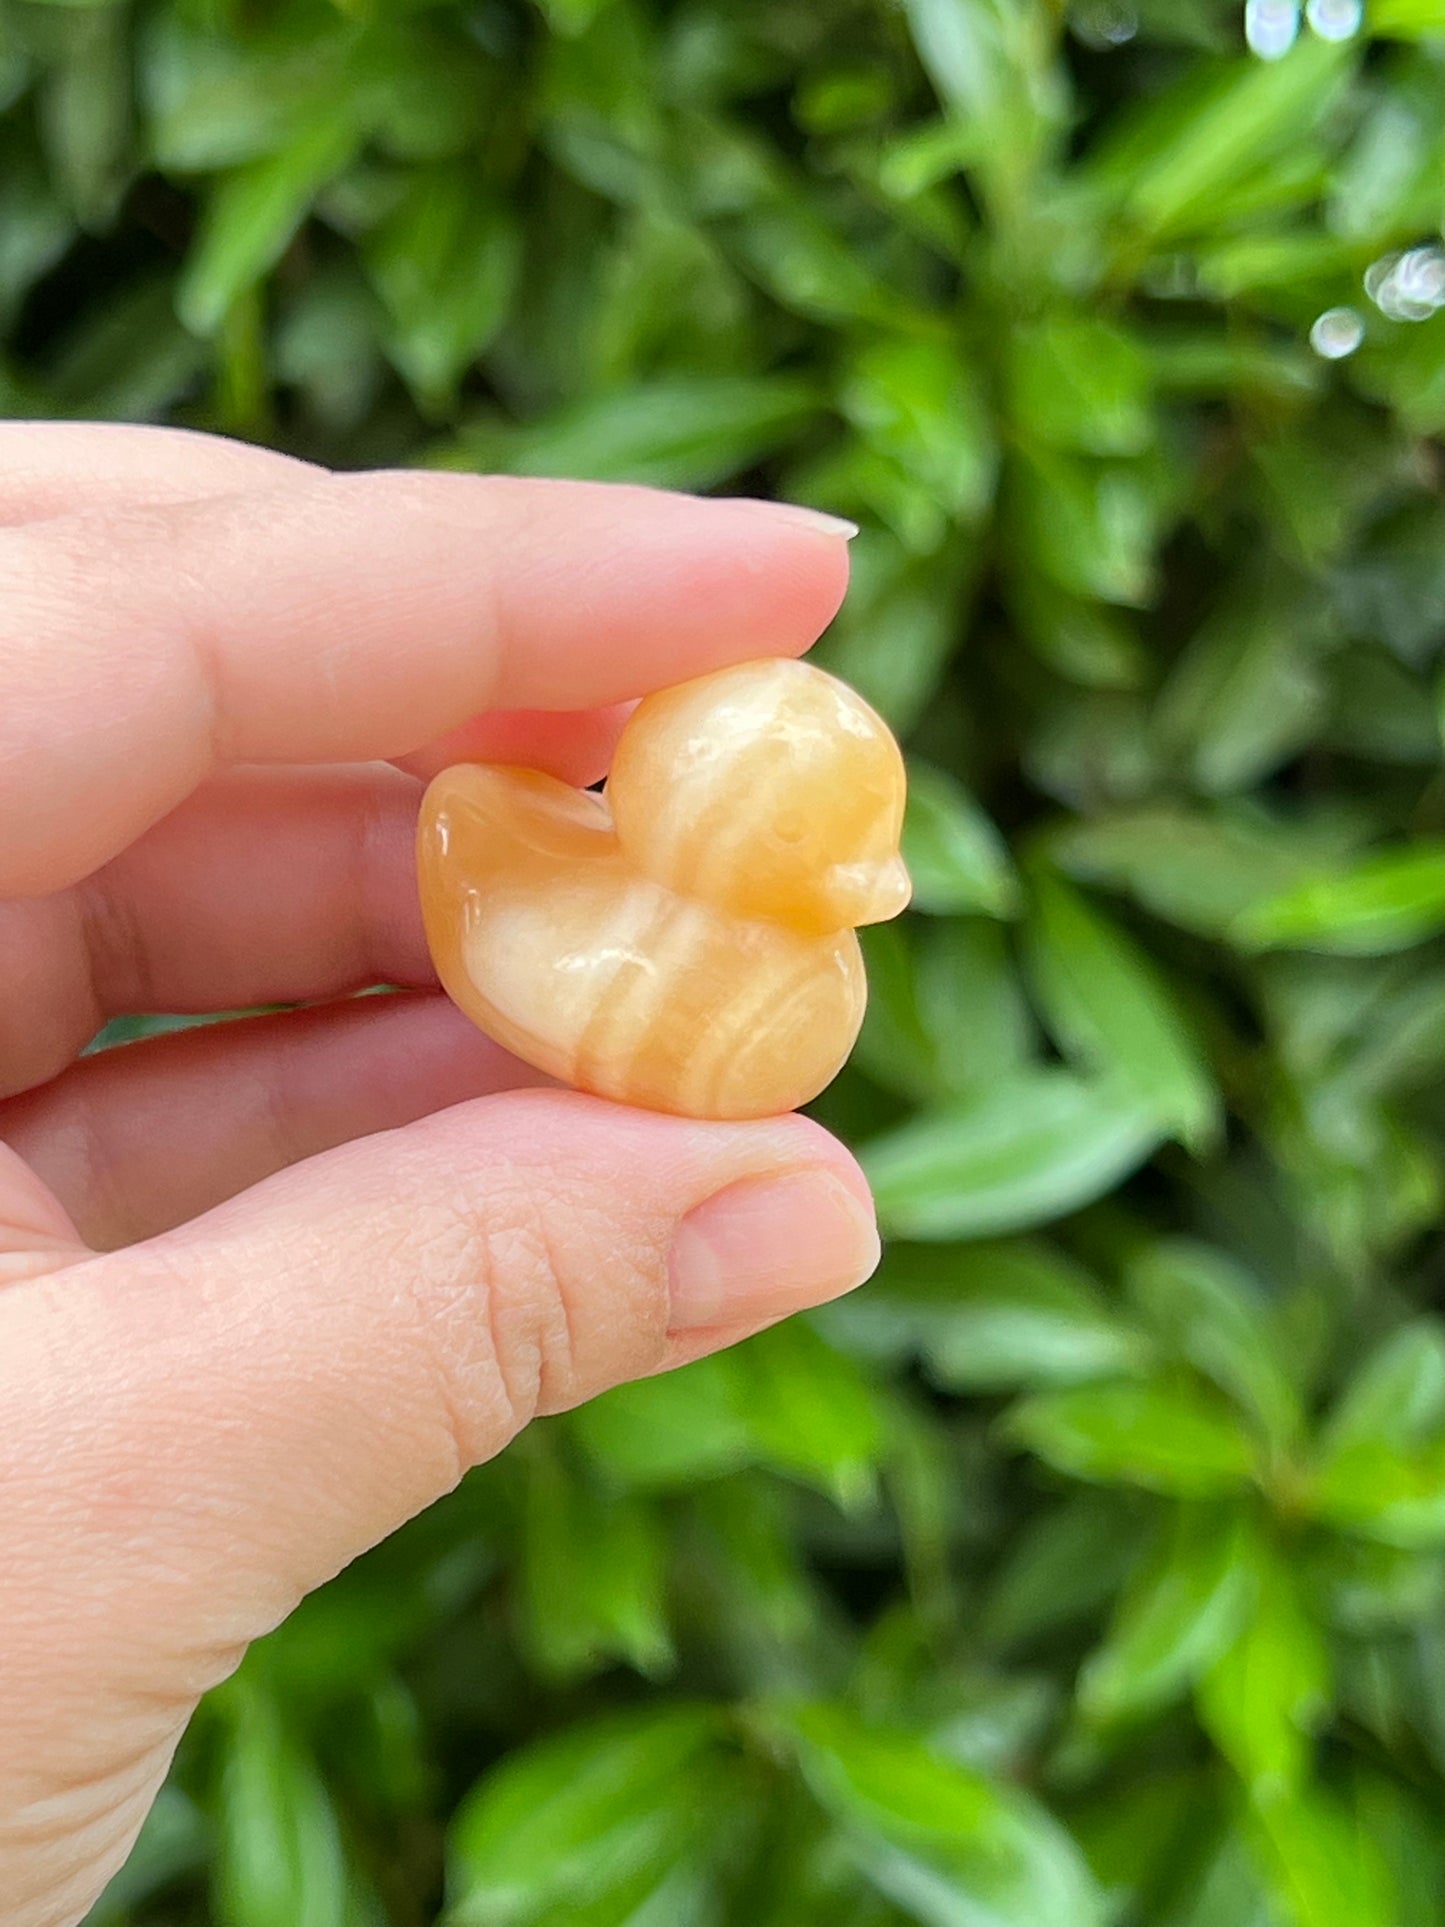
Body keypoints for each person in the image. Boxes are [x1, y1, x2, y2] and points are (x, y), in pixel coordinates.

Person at [0, 423, 880, 1927]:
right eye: (819, 838)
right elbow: (491, 854)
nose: (863, 875)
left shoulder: (783, 977)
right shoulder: (604, 922)